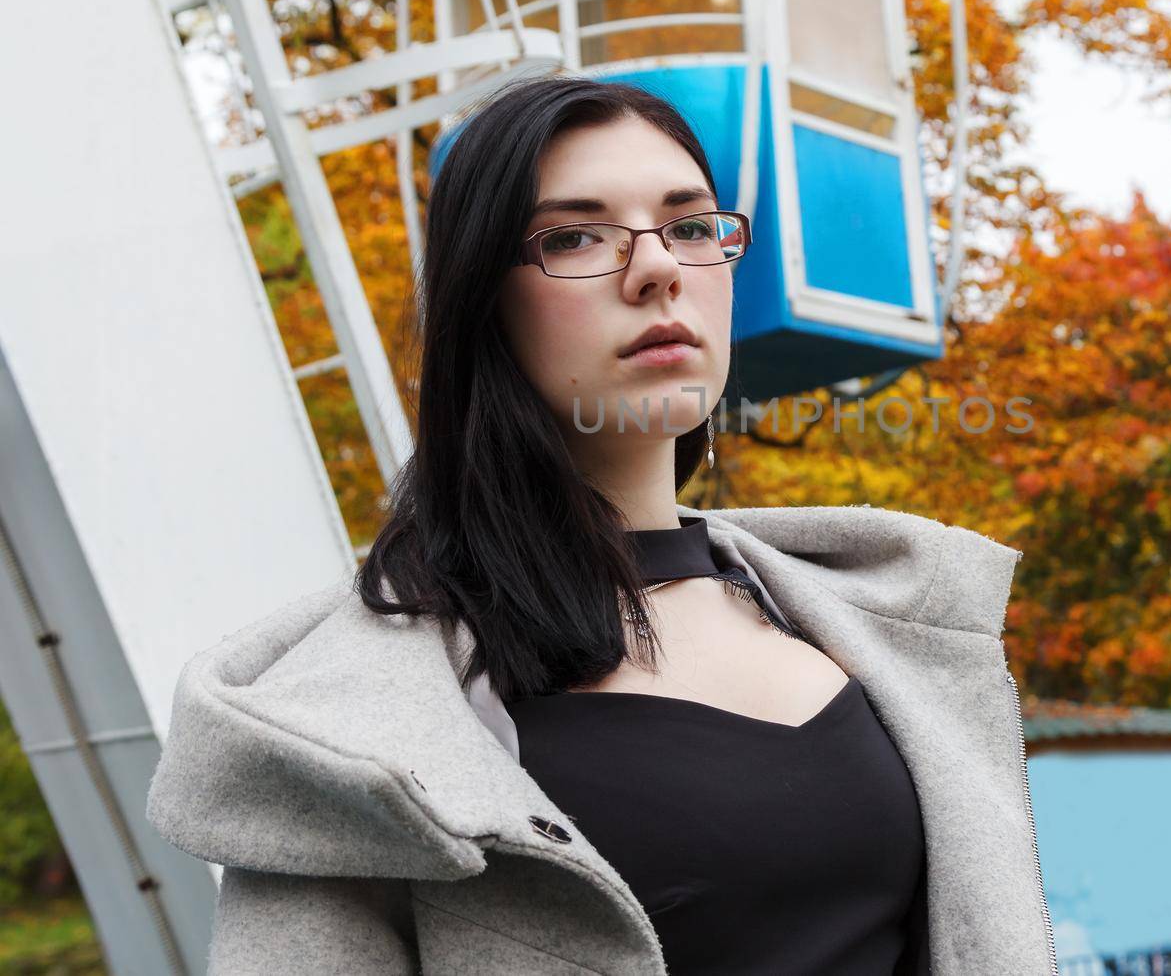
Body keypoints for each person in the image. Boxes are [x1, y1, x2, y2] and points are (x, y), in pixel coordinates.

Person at [145, 74, 1056, 975]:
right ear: (483, 305)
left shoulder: (862, 610)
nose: (658, 267)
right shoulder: (350, 722)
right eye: (575, 236)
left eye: (691, 225)